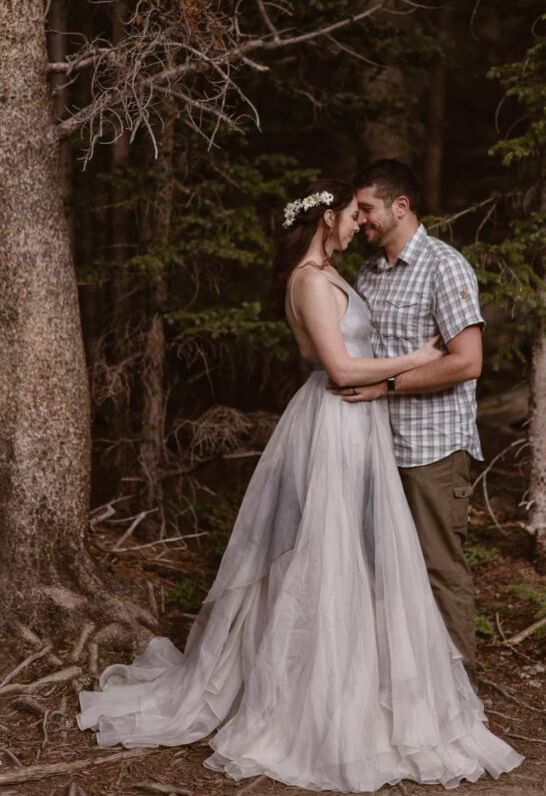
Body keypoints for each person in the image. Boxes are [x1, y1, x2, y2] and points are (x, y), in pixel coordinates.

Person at [77, 178, 522, 791]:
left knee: (377, 561)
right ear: (322, 220)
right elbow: (338, 368)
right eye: (347, 213)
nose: (354, 221)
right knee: (330, 556)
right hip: (342, 421)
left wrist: (399, 372)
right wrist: (415, 359)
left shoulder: (361, 271)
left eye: (361, 210)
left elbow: (449, 358)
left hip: (377, 428)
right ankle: (326, 699)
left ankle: (414, 690)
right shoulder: (314, 279)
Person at [332, 160, 484, 685]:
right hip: (374, 444)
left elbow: (467, 361)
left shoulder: (444, 266)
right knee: (381, 565)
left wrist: (386, 386)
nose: (361, 219)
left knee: (437, 566)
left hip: (431, 448)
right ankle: (400, 683)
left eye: (367, 208)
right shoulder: (369, 272)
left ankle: (457, 693)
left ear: (401, 206)